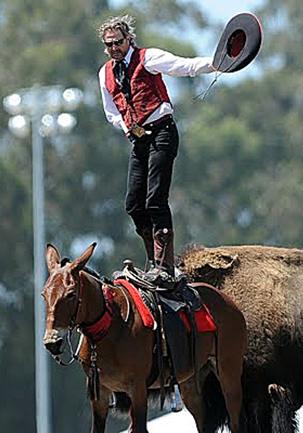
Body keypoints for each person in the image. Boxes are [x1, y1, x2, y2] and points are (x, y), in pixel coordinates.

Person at [97, 15, 215, 282]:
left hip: (162, 131)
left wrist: (217, 63)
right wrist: (126, 126)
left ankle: (165, 266)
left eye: (117, 42)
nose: (113, 48)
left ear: (129, 40)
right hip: (138, 139)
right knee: (133, 204)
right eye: (108, 45)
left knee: (155, 200)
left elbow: (184, 67)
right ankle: (152, 261)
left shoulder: (148, 58)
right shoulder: (104, 73)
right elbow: (110, 111)